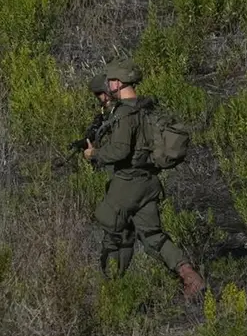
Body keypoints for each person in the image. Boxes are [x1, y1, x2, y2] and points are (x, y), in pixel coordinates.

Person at [83, 59, 205, 298]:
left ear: (117, 83)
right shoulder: (148, 108)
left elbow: (119, 151)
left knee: (114, 232)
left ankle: (113, 291)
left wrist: (94, 154)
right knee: (153, 236)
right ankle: (190, 277)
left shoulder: (124, 115)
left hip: (127, 182)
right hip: (149, 182)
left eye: (108, 83)